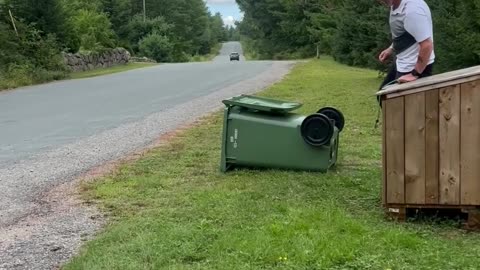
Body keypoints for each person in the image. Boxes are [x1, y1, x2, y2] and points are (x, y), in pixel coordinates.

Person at [378, 0, 435, 90]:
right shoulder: (397, 4)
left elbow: (427, 45)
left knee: (394, 102)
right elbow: (405, 34)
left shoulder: (412, 10)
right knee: (383, 96)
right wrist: (391, 48)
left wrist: (415, 74)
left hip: (413, 68)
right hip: (403, 63)